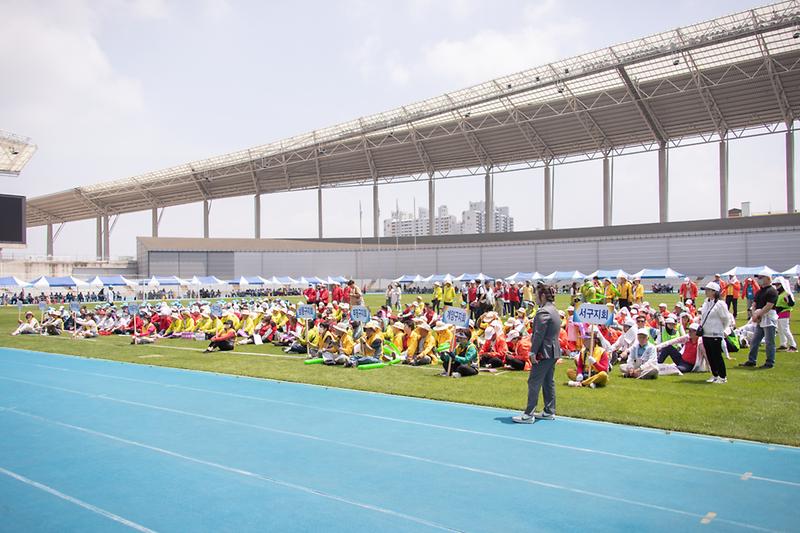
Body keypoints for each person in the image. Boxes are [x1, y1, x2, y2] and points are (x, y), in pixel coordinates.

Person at [512, 283, 561, 424]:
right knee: (548, 381)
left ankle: (529, 414)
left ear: (543, 296)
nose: (535, 298)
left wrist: (533, 351)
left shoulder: (543, 312)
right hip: (553, 351)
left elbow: (539, 334)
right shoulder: (554, 310)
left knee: (534, 381)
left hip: (544, 352)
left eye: (536, 295)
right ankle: (549, 410)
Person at [740, 271, 779, 369]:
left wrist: (758, 315)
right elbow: (754, 304)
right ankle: (751, 360)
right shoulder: (759, 291)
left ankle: (770, 362)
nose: (759, 279)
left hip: (769, 319)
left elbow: (769, 305)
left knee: (769, 342)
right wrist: (754, 315)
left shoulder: (772, 291)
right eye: (759, 278)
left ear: (768, 278)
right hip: (759, 319)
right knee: (754, 340)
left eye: (761, 277)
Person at [698, 281, 730, 383]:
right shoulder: (706, 302)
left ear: (714, 292)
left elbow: (726, 319)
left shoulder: (720, 304)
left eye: (708, 290)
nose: (706, 292)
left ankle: (722, 376)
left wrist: (721, 329)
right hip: (706, 333)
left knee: (717, 356)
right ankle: (715, 374)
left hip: (715, 333)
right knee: (710, 356)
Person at [773, 276, 797, 352]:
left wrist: (788, 299)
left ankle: (793, 345)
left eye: (778, 284)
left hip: (784, 312)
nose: (776, 286)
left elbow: (791, 304)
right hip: (778, 313)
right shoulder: (780, 293)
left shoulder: (786, 293)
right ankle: (783, 344)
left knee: (785, 329)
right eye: (776, 285)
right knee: (780, 330)